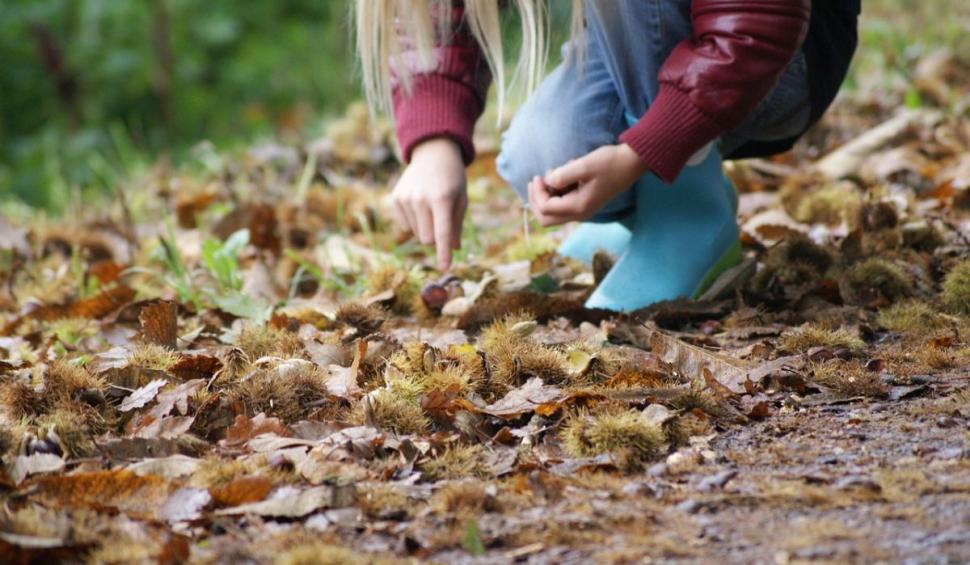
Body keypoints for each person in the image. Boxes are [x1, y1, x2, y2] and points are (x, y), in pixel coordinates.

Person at [356, 0, 860, 312]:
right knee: (542, 156)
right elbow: (436, 13)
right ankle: (647, 207)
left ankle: (686, 212)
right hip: (674, 41)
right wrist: (433, 143)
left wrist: (647, 150)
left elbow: (754, 25)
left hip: (780, 54)